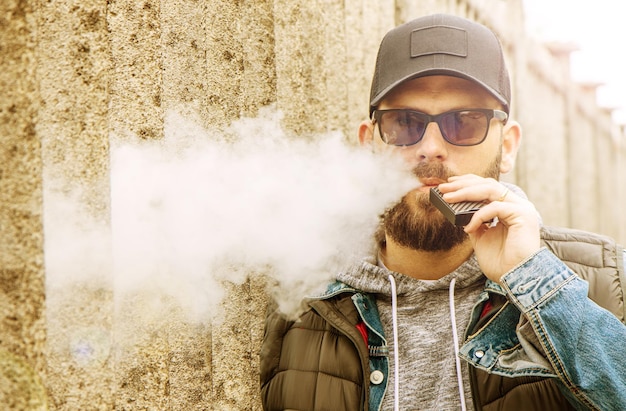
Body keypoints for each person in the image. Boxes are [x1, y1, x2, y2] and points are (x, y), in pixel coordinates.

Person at [260, 13, 626, 411]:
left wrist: (534, 280)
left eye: (464, 122)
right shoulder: (302, 298)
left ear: (507, 147)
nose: (431, 147)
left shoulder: (608, 278)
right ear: (370, 145)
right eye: (404, 122)